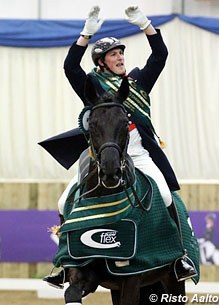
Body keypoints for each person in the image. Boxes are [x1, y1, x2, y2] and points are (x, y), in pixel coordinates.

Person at [43, 5, 197, 288]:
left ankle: (179, 257)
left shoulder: (137, 83)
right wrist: (85, 34)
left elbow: (160, 56)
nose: (120, 57)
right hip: (102, 157)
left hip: (139, 155)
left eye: (121, 53)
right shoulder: (92, 85)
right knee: (63, 201)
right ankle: (65, 265)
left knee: (164, 195)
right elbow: (69, 67)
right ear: (101, 62)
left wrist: (146, 25)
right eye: (114, 54)